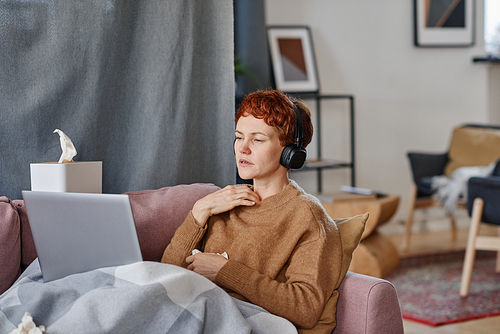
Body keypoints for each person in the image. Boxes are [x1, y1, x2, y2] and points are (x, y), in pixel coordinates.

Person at [161, 90, 342, 332]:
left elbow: (305, 308)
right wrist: (199, 211)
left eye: (257, 139)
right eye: (238, 137)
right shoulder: (222, 202)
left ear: (290, 151)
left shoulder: (307, 216)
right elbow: (165, 278)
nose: (242, 149)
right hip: (190, 311)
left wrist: (225, 272)